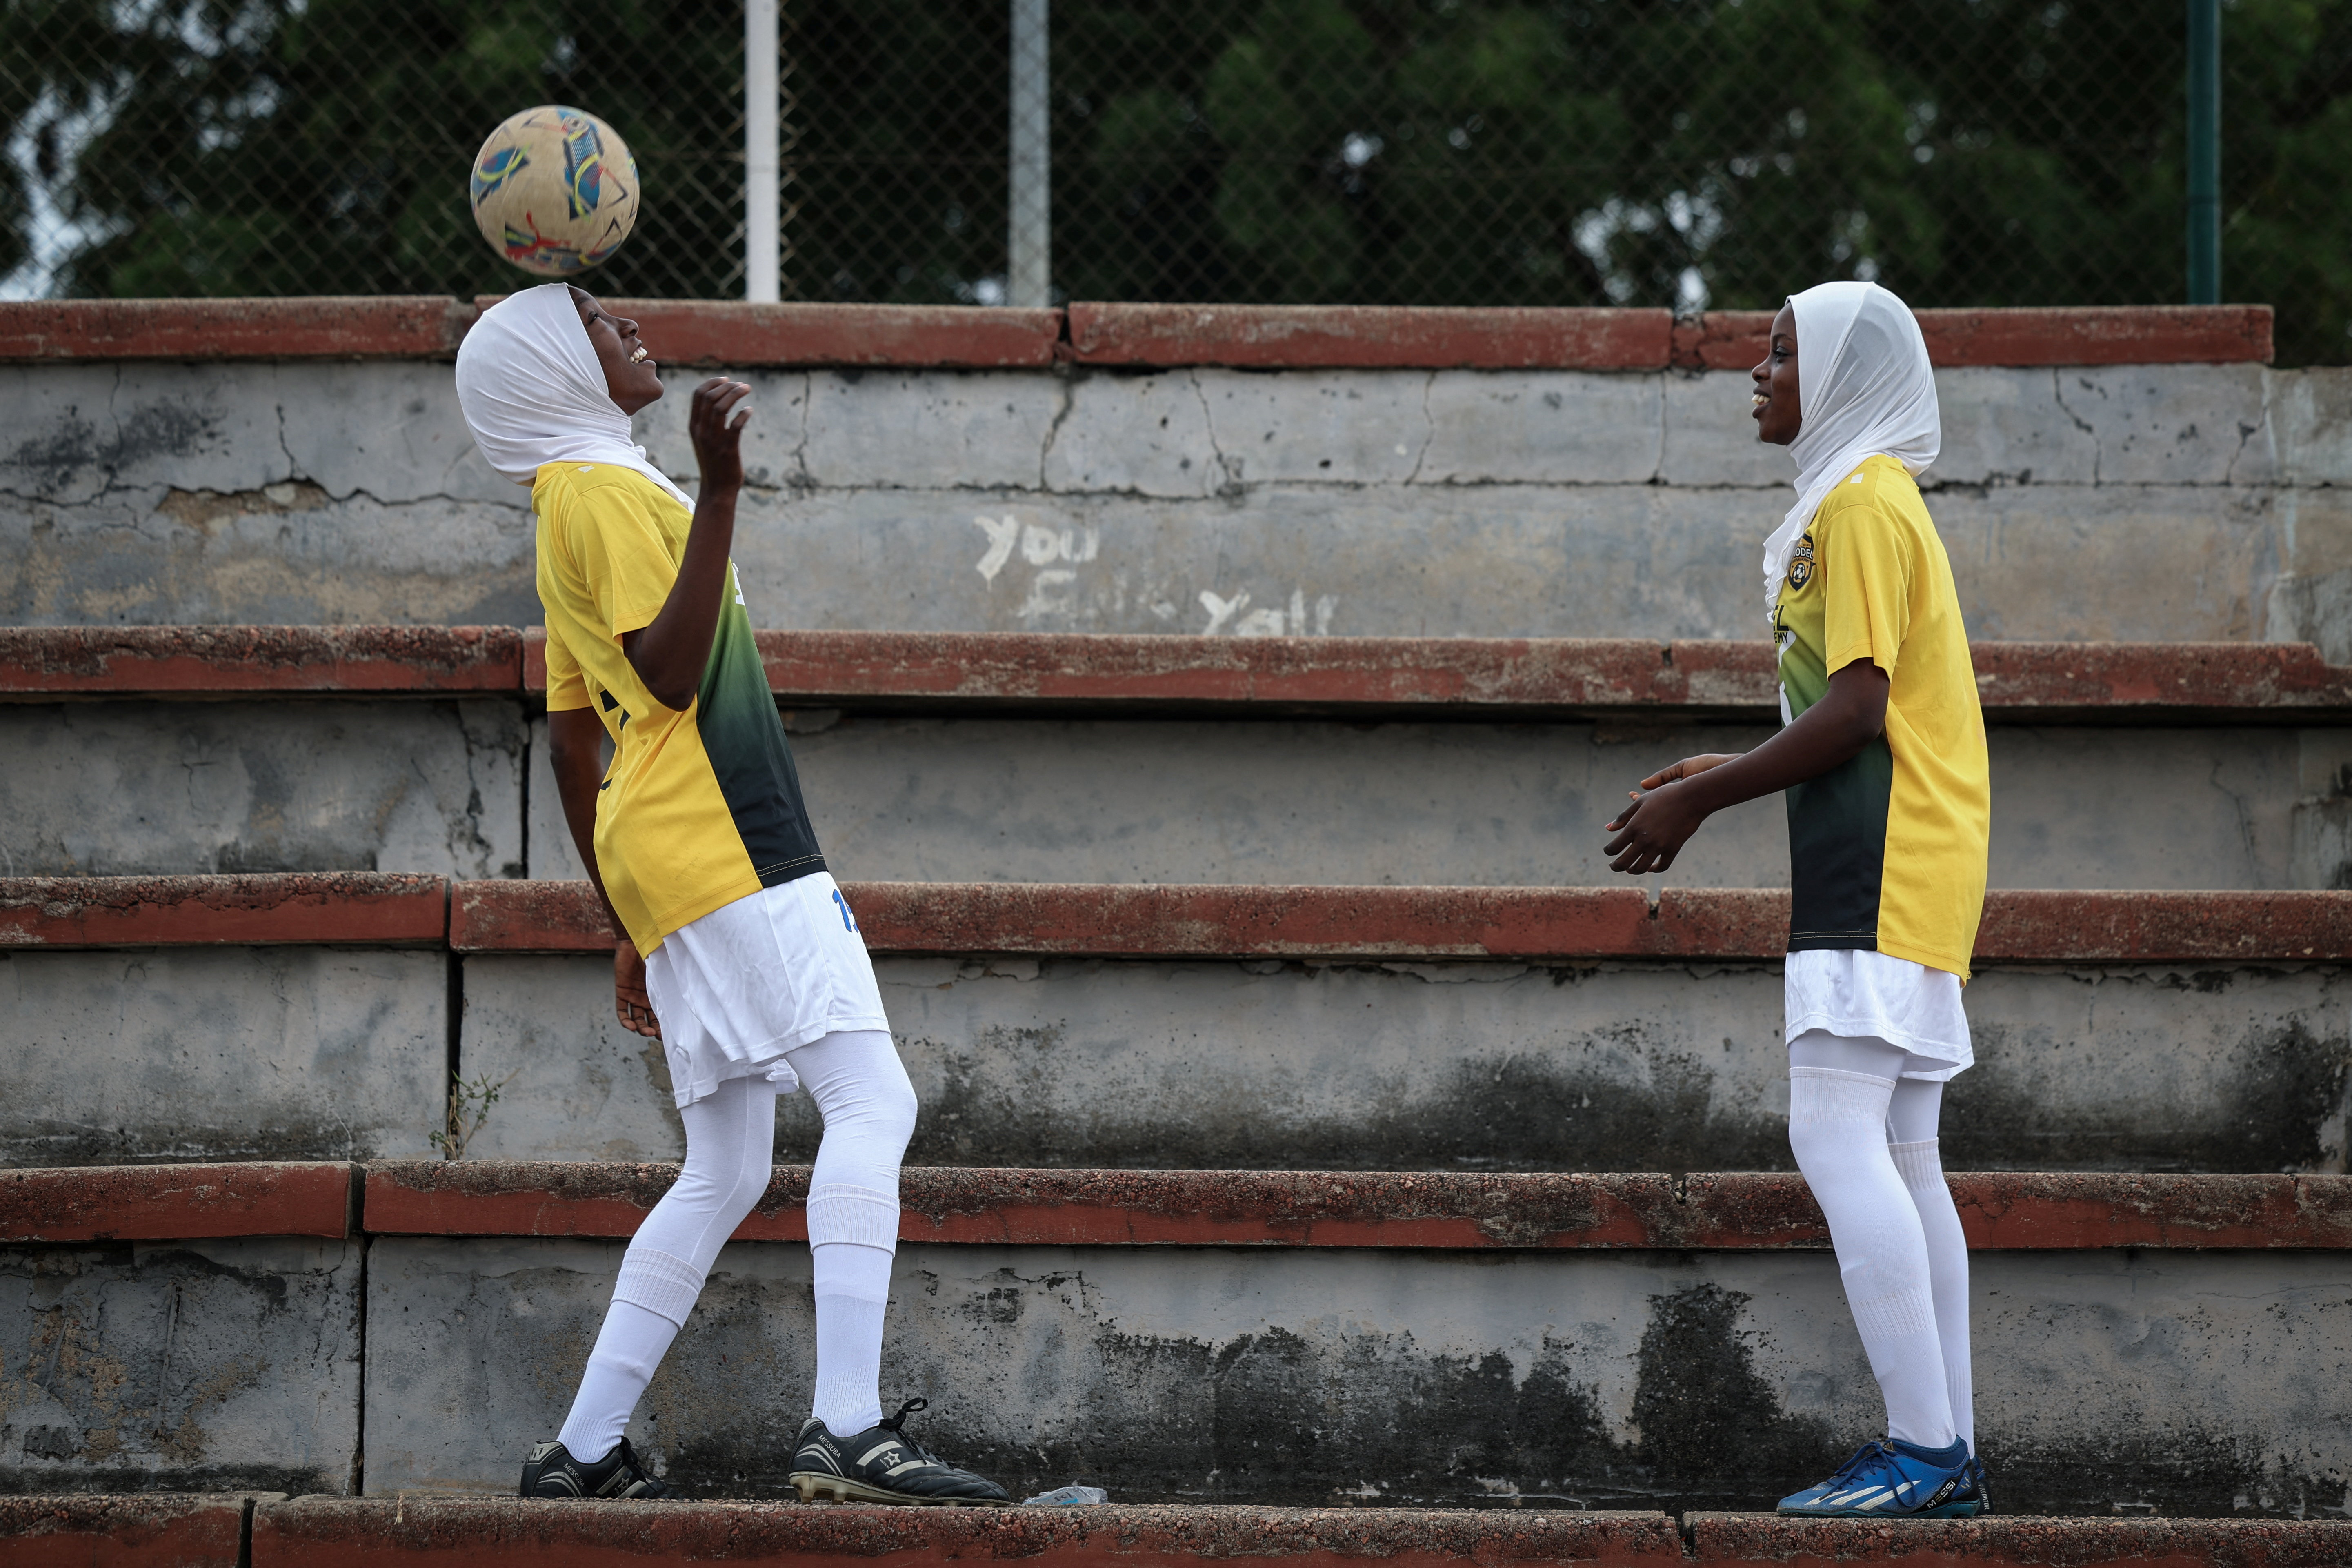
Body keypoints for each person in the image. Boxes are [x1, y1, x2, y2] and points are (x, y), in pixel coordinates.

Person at [454, 282, 1006, 1506]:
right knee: (873, 1098)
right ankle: (847, 1428)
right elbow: (667, 668)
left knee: (726, 1167)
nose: (628, 324)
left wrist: (629, 921)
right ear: (556, 368)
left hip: (666, 853)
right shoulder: (606, 490)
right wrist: (720, 489)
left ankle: (586, 1447)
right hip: (727, 831)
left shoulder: (566, 499)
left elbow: (570, 745)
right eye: (596, 320)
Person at [1601, 281, 1990, 1518]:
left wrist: (1705, 800)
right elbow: (1844, 706)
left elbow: (1856, 708)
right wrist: (1714, 770)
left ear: (1840, 376)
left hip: (1874, 856)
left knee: (1831, 1137)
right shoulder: (1868, 498)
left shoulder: (1861, 502)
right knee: (1903, 1152)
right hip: (1913, 850)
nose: (1756, 374)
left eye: (1781, 354)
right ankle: (1950, 1453)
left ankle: (1924, 1454)